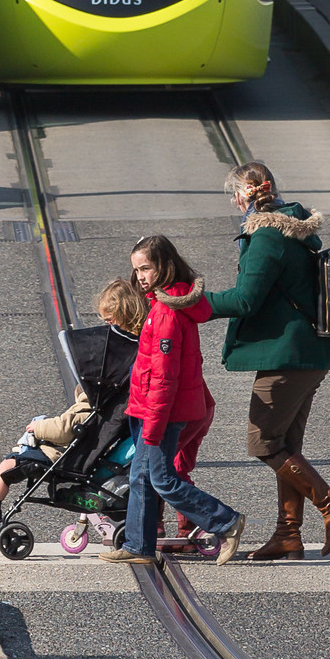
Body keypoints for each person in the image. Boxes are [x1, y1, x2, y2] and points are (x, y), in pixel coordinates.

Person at [201, 161, 330, 560]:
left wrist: (191, 302)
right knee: (287, 445)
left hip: (289, 355)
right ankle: (288, 535)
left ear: (241, 197)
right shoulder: (292, 226)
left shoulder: (267, 235)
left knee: (263, 442)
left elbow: (244, 299)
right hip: (310, 352)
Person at [101, 235, 245, 568]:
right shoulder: (165, 304)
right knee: (140, 478)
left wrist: (152, 425)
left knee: (162, 478)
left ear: (164, 266)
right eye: (137, 269)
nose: (140, 276)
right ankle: (138, 545)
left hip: (161, 413)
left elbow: (164, 378)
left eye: (146, 268)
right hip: (147, 408)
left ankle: (225, 522)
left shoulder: (166, 312)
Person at [0, 280, 144, 524]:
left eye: (109, 319)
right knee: (13, 456)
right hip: (61, 448)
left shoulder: (93, 405)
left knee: (8, 464)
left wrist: (37, 427)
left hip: (59, 454)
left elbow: (66, 428)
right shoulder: (104, 398)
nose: (107, 324)